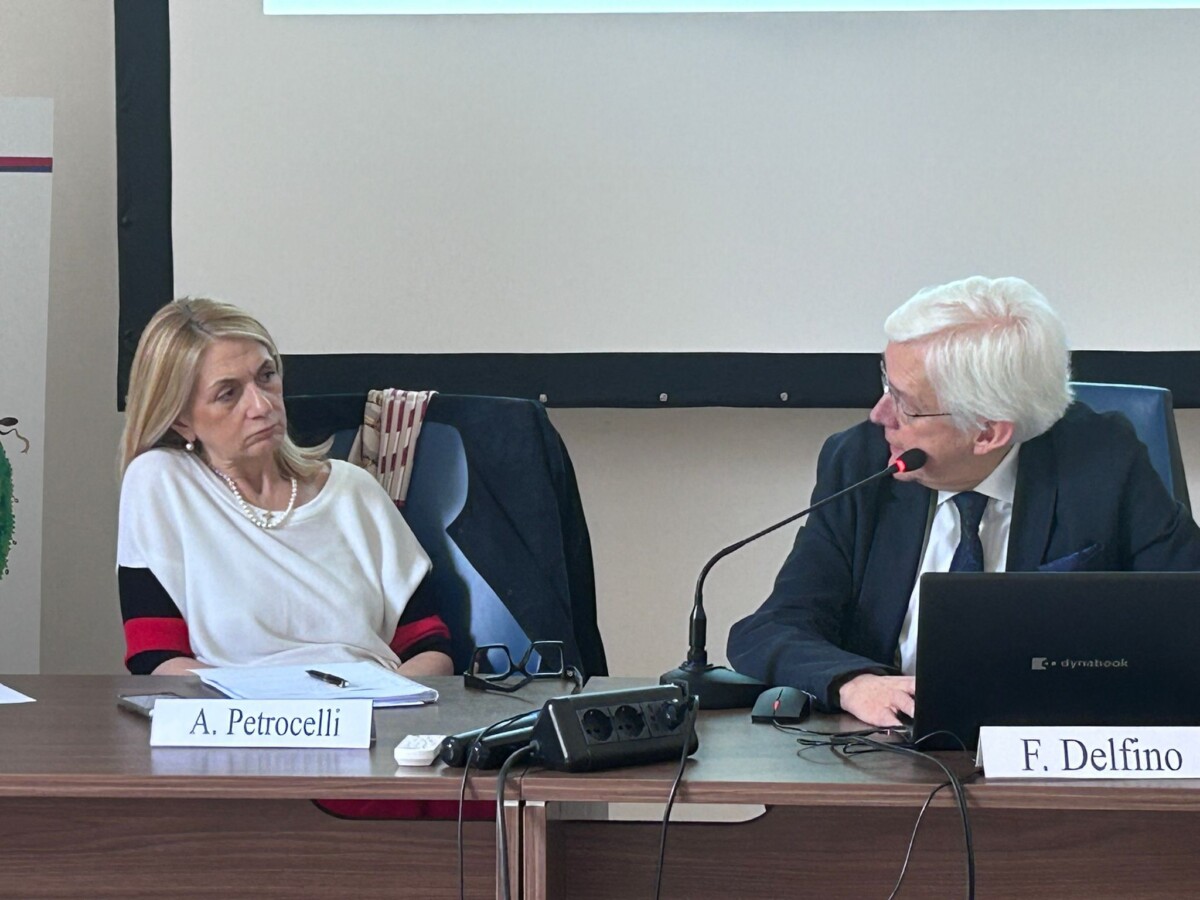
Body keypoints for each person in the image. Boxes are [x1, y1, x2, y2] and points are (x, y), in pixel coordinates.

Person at [727, 276, 1200, 728]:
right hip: (886, 749)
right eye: (886, 384)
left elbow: (1186, 620)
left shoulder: (1104, 463)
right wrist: (854, 683)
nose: (879, 413)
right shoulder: (862, 462)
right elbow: (773, 627)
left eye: (906, 403)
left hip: (1053, 747)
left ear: (988, 432)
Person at [117, 298, 453, 678]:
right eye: (228, 393)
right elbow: (155, 658)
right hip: (234, 710)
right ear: (181, 421)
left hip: (373, 704)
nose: (261, 406)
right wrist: (269, 707)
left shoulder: (354, 491)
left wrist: (381, 704)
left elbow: (432, 650)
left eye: (266, 376)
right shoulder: (161, 482)